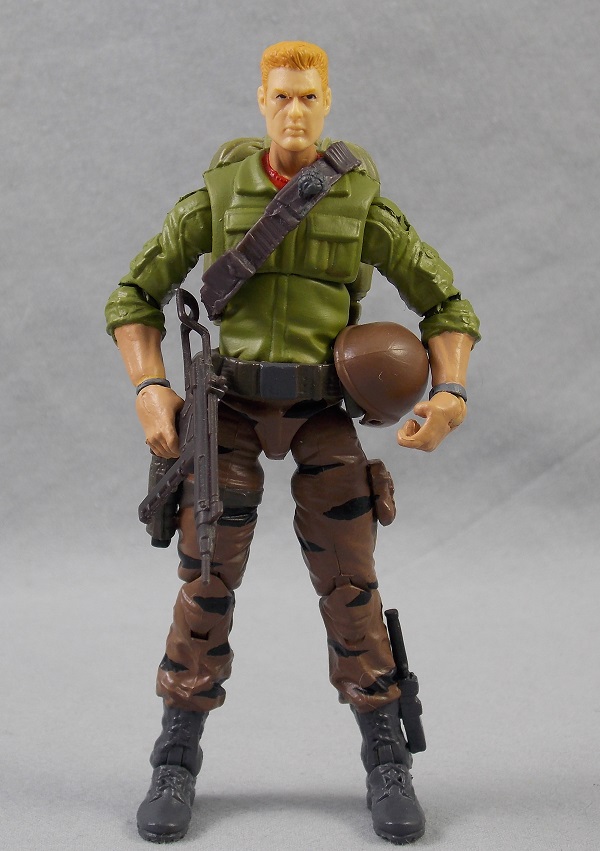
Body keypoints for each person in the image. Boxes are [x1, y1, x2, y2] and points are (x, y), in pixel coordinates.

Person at [106, 40, 480, 846]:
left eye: (309, 96)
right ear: (261, 101)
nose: (295, 111)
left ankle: (386, 755)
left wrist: (450, 391)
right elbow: (134, 293)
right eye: (281, 96)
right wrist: (149, 384)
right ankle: (175, 753)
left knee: (352, 584)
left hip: (321, 408)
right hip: (230, 407)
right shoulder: (216, 197)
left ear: (328, 102)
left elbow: (446, 302)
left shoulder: (358, 201)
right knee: (206, 577)